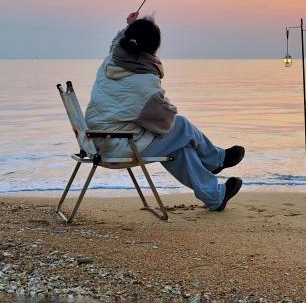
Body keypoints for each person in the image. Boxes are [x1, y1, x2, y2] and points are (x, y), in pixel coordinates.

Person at [85, 12, 245, 211]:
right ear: (152, 49)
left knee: (179, 146)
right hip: (116, 144)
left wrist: (129, 26)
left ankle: (215, 196)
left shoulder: (111, 61)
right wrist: (166, 105)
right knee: (181, 126)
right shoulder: (145, 83)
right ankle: (215, 160)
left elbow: (117, 42)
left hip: (99, 138)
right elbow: (165, 123)